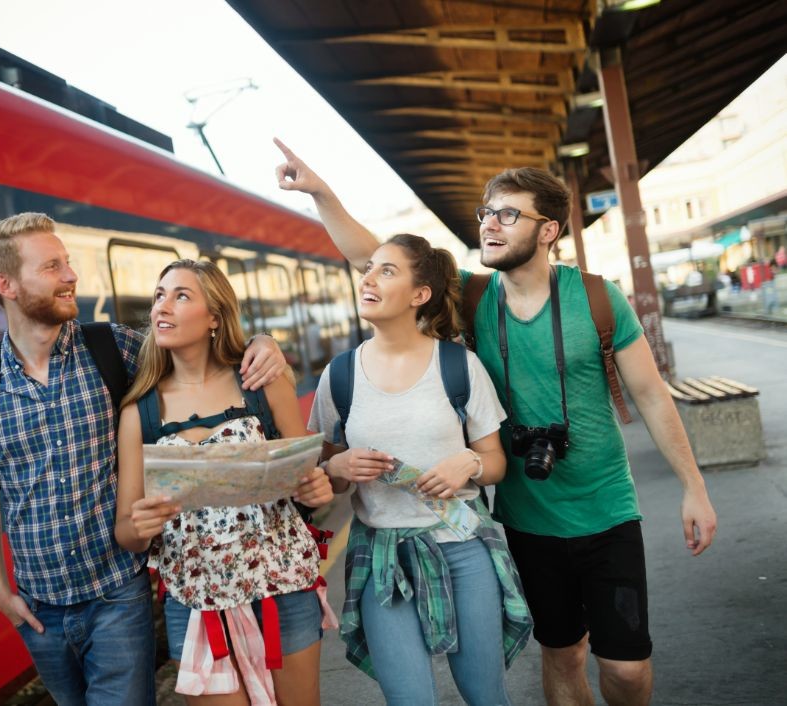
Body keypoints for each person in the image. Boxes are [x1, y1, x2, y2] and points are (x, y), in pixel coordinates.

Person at [274, 139, 718, 706]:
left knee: (627, 670)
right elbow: (376, 257)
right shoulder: (476, 295)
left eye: (509, 214)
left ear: (549, 229)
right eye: (487, 212)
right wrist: (321, 193)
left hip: (607, 508)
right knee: (563, 655)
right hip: (527, 520)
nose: (490, 223)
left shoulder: (598, 298)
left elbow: (653, 397)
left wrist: (694, 487)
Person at [0, 214, 287, 706]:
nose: (71, 275)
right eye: (52, 266)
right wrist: (0, 593)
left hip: (117, 594)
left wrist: (261, 343)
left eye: (67, 262)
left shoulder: (114, 349)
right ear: (7, 285)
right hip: (39, 608)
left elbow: (201, 354)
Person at [307, 233, 531, 705]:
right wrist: (339, 464)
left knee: (485, 695)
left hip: (464, 547)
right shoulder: (339, 376)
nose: (368, 277)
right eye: (368, 268)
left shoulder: (458, 366)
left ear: (419, 295)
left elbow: (495, 463)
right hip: (381, 558)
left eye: (386, 270)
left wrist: (467, 463)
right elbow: (328, 472)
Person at [114, 259, 334, 706]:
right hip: (197, 605)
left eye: (181, 296)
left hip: (283, 586)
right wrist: (140, 526)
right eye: (159, 295)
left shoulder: (261, 383)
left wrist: (316, 488)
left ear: (215, 316)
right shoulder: (139, 412)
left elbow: (307, 478)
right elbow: (127, 532)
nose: (163, 307)